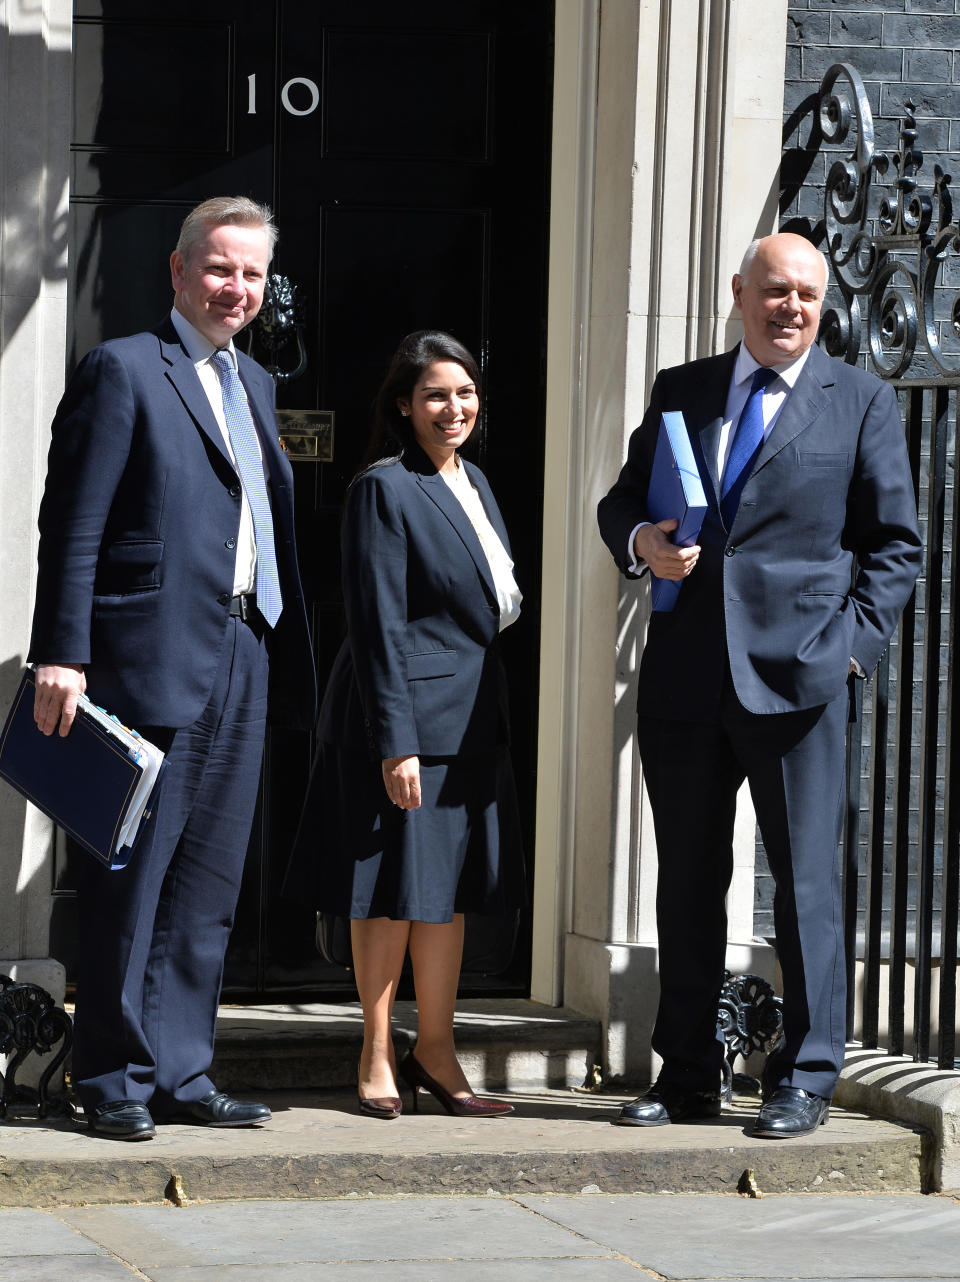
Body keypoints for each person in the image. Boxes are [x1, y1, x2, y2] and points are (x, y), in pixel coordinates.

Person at [597, 233, 922, 1138]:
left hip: (802, 679)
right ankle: (690, 1072)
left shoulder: (859, 401)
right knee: (688, 882)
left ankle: (806, 1076)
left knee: (808, 885)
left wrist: (850, 650)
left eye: (808, 296)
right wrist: (641, 544)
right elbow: (622, 499)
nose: (792, 309)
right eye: (776, 291)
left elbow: (896, 547)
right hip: (687, 678)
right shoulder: (682, 388)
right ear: (739, 291)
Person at [29, 196, 316, 1140]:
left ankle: (183, 1073)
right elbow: (70, 525)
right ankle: (109, 1077)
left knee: (206, 883)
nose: (238, 288)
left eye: (253, 274)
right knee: (131, 876)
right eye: (221, 269)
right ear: (180, 271)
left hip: (245, 648)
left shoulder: (257, 386)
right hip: (146, 655)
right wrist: (61, 652)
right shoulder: (124, 369)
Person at [286, 330, 524, 1119]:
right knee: (388, 892)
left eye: (464, 393)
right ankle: (378, 1048)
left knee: (443, 894)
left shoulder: (476, 482)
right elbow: (378, 622)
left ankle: (438, 1047)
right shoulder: (384, 488)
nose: (453, 408)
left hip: (470, 721)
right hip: (403, 725)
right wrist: (397, 743)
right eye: (434, 396)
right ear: (403, 406)